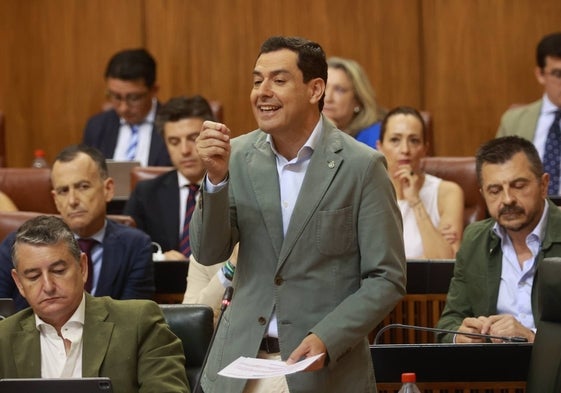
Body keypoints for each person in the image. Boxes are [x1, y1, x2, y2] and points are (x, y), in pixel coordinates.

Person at [192, 36, 406, 393]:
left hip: (322, 370)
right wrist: (216, 180)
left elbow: (386, 277)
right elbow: (208, 252)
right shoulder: (236, 156)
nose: (262, 91)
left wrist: (329, 336)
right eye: (257, 80)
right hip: (238, 367)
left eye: (278, 80)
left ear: (315, 89)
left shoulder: (361, 166)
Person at [0, 215, 189, 392]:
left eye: (58, 271)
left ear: (82, 267)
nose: (48, 286)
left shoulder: (139, 323)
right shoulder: (3, 338)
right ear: (19, 283)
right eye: (33, 276)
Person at [436, 136, 561, 343]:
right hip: (493, 370)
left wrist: (532, 338)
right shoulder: (475, 240)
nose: (507, 199)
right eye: (494, 191)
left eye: (519, 186)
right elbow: (449, 322)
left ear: (544, 185)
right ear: (483, 194)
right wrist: (460, 336)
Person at [0, 144, 154, 311]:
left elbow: (133, 319)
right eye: (63, 191)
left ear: (108, 189)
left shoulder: (135, 246)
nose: (72, 200)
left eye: (83, 187)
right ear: (56, 199)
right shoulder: (17, 246)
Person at [122, 95, 235, 318]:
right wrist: (161, 257)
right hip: (164, 301)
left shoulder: (235, 186)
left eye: (193, 138)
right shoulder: (147, 193)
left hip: (225, 300)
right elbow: (127, 250)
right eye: (174, 142)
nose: (184, 150)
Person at [376, 106, 464, 259]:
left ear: (425, 149)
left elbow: (444, 263)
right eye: (395, 140)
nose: (405, 149)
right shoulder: (365, 192)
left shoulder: (448, 192)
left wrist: (416, 201)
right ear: (380, 147)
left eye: (414, 140)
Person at [496, 32, 561, 195]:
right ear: (540, 74)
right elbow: (495, 172)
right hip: (525, 212)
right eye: (558, 74)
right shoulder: (513, 121)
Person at [83, 48, 171, 166]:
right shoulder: (97, 126)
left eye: (134, 98)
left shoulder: (173, 125)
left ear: (154, 90)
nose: (123, 108)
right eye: (116, 97)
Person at [322, 56, 385, 148]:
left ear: (358, 100)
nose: (327, 98)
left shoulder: (376, 135)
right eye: (323, 87)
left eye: (339, 90)